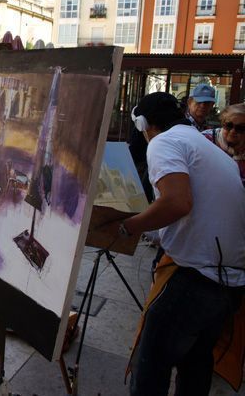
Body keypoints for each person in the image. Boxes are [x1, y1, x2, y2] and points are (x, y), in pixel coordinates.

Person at [100, 92, 244, 395]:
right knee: (195, 366)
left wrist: (127, 227)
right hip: (227, 283)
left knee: (150, 367)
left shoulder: (164, 142)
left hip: (194, 279)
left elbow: (178, 203)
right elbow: (194, 214)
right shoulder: (207, 146)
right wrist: (151, 228)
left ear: (144, 124)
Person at [202, 103, 245, 186]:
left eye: (240, 128)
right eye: (229, 125)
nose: (233, 131)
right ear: (222, 123)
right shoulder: (205, 141)